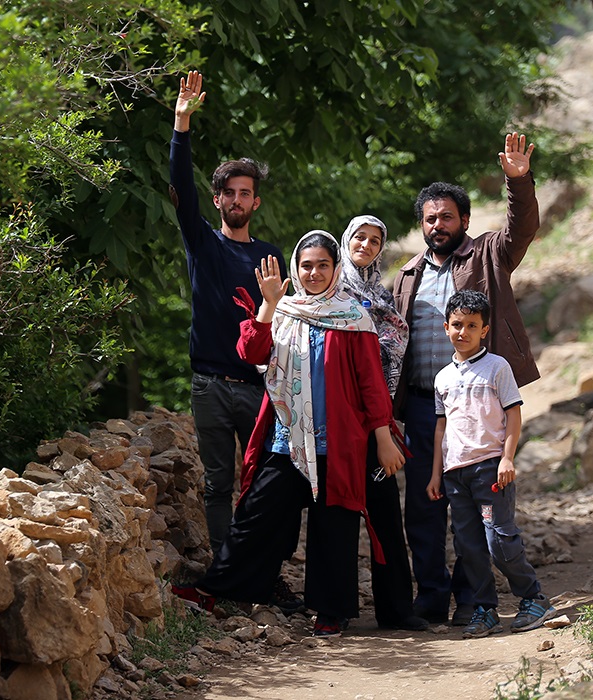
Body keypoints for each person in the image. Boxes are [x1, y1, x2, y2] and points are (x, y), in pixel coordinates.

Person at [173, 231, 406, 638]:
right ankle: (216, 590)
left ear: (336, 269)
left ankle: (332, 611)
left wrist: (383, 436)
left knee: (334, 526)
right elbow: (251, 354)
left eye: (322, 265)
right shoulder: (284, 311)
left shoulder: (354, 317)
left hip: (338, 441)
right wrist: (266, 305)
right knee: (255, 516)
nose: (314, 273)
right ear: (296, 269)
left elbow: (371, 384)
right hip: (287, 441)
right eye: (306, 265)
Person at [392, 132, 540, 626]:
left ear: (465, 221)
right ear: (422, 224)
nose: (438, 225)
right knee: (426, 504)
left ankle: (472, 601)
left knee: (477, 510)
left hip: (477, 406)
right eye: (431, 218)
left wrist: (517, 180)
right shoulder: (407, 275)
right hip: (420, 407)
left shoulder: (487, 255)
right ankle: (431, 596)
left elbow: (522, 229)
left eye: (447, 217)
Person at [168, 71, 290, 559]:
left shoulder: (272, 256)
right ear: (216, 200)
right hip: (211, 384)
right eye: (229, 193)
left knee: (261, 483)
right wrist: (181, 124)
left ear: (255, 202)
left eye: (245, 193)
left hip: (260, 386)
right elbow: (179, 183)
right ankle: (224, 570)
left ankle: (259, 569)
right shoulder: (202, 243)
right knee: (218, 484)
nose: (236, 200)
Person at [428, 290, 555, 638]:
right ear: (446, 327)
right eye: (457, 325)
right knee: (468, 547)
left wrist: (507, 458)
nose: (463, 332)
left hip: (490, 469)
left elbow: (514, 414)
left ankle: (533, 598)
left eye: (472, 325)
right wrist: (436, 473)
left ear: (484, 330)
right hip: (456, 474)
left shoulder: (497, 367)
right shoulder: (442, 378)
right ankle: (485, 609)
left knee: (499, 540)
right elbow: (442, 426)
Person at [339, 215, 427, 632]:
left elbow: (389, 353)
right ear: (346, 240)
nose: (367, 245)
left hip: (378, 420)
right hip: (336, 420)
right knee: (334, 517)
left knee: (386, 514)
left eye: (376, 240)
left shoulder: (381, 295)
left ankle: (396, 609)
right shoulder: (329, 289)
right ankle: (333, 610)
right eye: (360, 237)